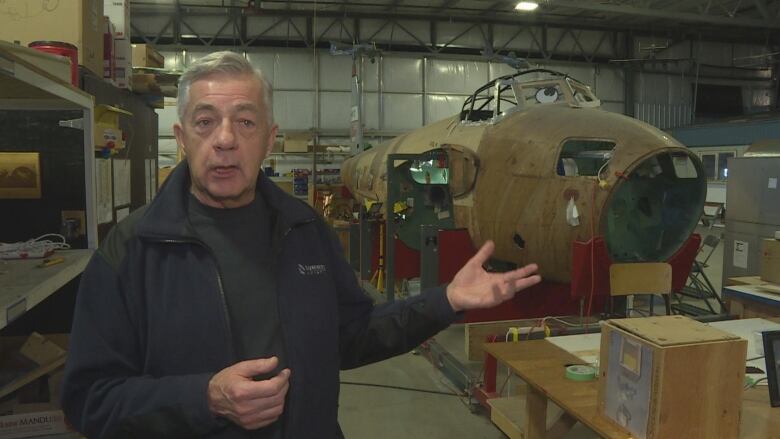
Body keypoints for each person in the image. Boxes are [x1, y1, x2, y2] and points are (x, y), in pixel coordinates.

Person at [61, 51, 541, 438]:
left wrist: (446, 300)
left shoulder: (304, 230)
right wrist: (204, 398)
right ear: (182, 137)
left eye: (245, 122)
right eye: (206, 122)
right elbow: (89, 400)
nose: (225, 139)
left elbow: (351, 335)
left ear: (269, 139)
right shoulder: (132, 250)